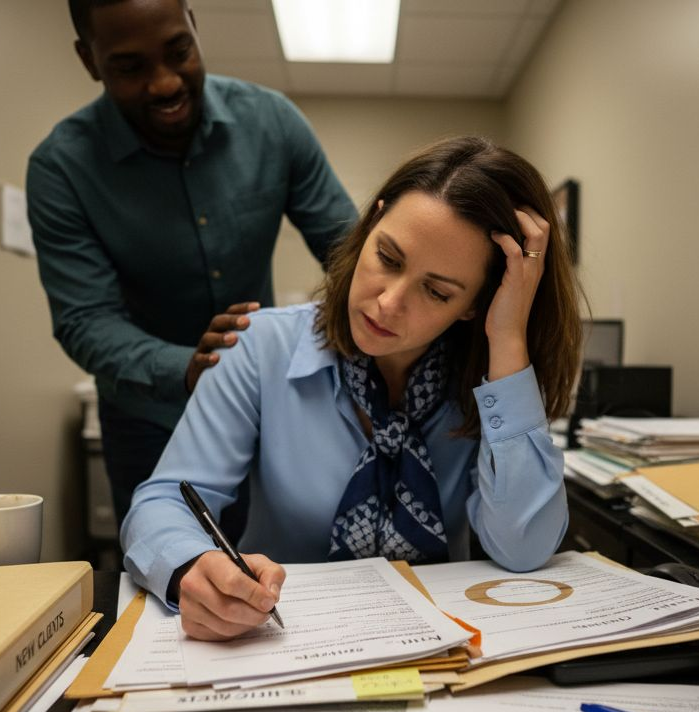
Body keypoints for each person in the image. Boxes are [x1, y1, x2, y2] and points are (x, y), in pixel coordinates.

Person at [122, 136, 585, 641]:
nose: (388, 303)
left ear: (477, 304)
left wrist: (509, 339)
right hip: (279, 640)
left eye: (437, 291)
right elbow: (164, 500)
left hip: (439, 646)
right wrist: (194, 566)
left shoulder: (487, 379)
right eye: (387, 257)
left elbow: (524, 547)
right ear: (369, 228)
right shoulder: (260, 347)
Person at [26, 0, 356, 529]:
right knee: (166, 575)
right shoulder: (61, 169)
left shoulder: (272, 122)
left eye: (178, 51)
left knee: (267, 567)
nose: (163, 84)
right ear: (89, 60)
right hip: (145, 418)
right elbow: (85, 319)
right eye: (130, 67)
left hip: (261, 406)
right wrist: (186, 368)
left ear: (195, 26)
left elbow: (349, 253)